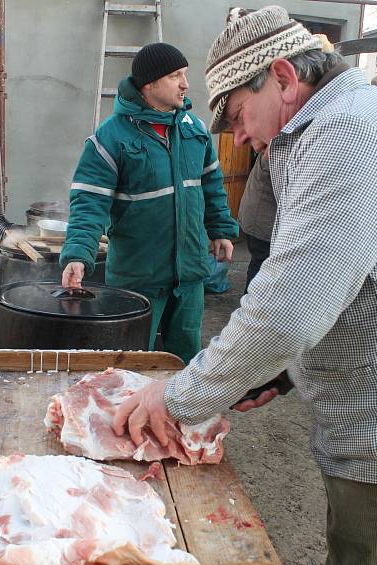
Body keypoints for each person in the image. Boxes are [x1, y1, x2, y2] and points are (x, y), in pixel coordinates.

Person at [112, 7, 377, 565]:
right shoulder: (334, 125)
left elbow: (292, 302)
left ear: (281, 77)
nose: (239, 137)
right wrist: (283, 373)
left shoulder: (354, 131)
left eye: (239, 117)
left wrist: (180, 398)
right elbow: (342, 278)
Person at [60, 42, 238, 364]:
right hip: (138, 276)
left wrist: (220, 228)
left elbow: (211, 185)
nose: (185, 83)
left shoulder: (194, 130)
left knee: (183, 360)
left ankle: (180, 415)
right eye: (175, 76)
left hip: (190, 273)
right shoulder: (111, 138)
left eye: (184, 74)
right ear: (149, 84)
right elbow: (89, 202)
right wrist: (78, 253)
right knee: (131, 359)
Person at [238, 153, 275, 293]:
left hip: (255, 219)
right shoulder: (275, 151)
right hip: (263, 223)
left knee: (257, 263)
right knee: (260, 267)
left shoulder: (270, 148)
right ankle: (250, 307)